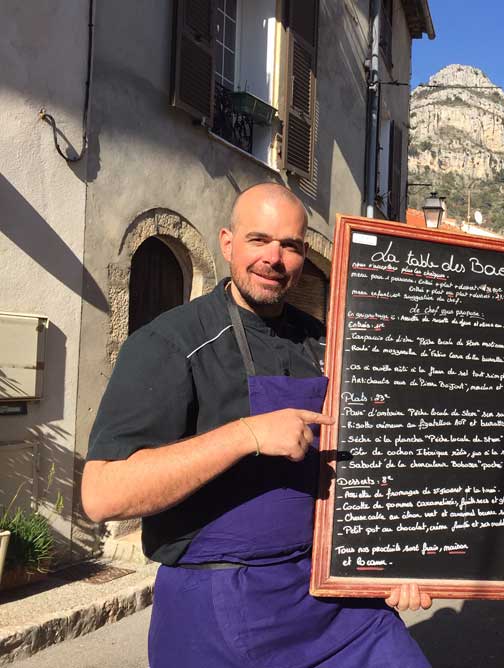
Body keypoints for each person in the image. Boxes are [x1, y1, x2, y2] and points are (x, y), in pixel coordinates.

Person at [82, 183, 431, 668]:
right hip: (215, 605)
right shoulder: (168, 343)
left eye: (289, 245)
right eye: (258, 240)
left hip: (337, 606)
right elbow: (102, 493)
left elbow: (373, 464)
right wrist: (245, 435)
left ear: (304, 255)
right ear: (227, 242)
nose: (274, 257)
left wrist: (392, 560)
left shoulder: (329, 345)